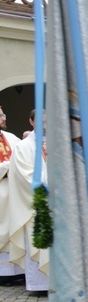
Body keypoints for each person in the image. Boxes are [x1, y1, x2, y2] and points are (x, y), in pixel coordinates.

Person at [7, 109, 48, 291]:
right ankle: (40, 285)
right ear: (31, 122)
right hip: (35, 204)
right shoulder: (22, 147)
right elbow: (25, 175)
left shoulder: (60, 143)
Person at [0, 106, 23, 279]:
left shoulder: (11, 138)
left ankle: (17, 271)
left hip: (14, 192)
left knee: (14, 229)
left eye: (3, 114)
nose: (4, 118)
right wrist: (8, 166)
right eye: (1, 115)